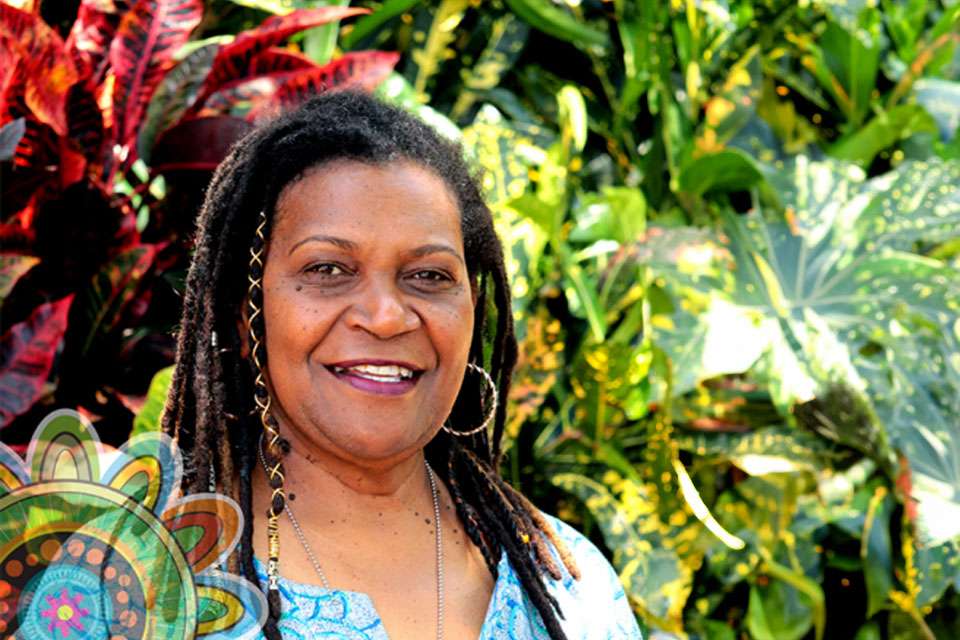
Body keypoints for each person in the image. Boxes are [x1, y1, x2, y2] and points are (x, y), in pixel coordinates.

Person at [162, 90, 642, 640]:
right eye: (328, 269)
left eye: (429, 276)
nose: (387, 318)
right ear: (248, 317)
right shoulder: (150, 591)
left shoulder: (570, 586)